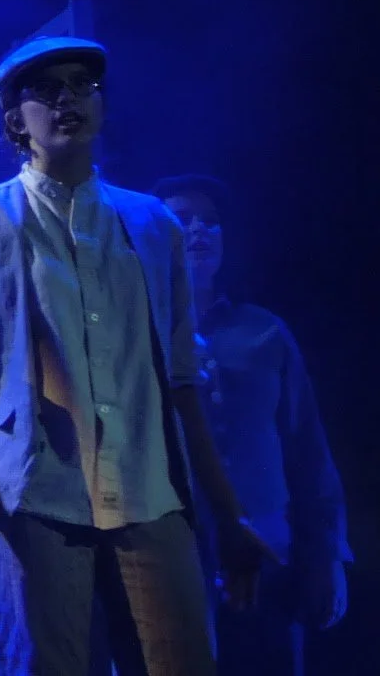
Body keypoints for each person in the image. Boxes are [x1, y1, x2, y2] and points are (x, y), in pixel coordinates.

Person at [0, 36, 276, 675]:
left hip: (148, 491)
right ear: (15, 119)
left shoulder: (152, 224)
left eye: (82, 85)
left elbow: (181, 379)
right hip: (36, 494)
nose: (68, 99)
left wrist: (228, 513)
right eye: (47, 89)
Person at [153, 173, 349, 675]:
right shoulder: (136, 336)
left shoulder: (264, 331)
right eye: (182, 218)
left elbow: (307, 451)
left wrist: (327, 555)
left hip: (268, 554)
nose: (199, 229)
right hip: (169, 562)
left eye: (211, 221)